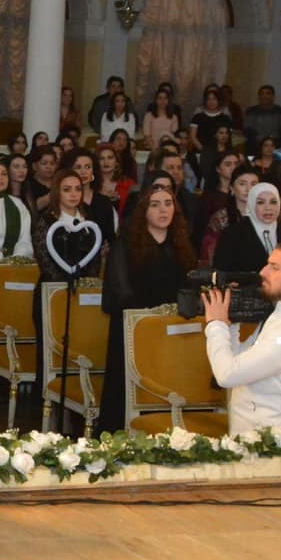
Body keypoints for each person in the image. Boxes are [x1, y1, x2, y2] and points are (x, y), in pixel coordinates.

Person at [96, 184, 196, 433]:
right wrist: (151, 319)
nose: (163, 210)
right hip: (134, 330)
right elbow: (120, 292)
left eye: (168, 203)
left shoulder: (181, 244)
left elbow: (189, 286)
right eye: (155, 204)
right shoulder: (125, 245)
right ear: (143, 211)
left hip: (171, 331)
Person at [201, 241, 281, 434]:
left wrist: (216, 324)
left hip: (275, 448)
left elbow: (227, 374)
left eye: (274, 267)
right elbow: (237, 360)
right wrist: (232, 317)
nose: (263, 272)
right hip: (254, 442)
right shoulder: (280, 316)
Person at [213, 181, 280, 273]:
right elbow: (221, 272)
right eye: (261, 202)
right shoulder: (233, 234)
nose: (268, 208)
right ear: (251, 205)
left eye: (273, 202)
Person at [243, 85, 281, 151]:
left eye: (268, 93)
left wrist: (270, 140)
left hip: (276, 147)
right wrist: (260, 140)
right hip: (255, 147)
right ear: (259, 96)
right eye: (262, 94)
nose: (264, 96)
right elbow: (247, 130)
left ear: (273, 96)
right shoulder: (251, 111)